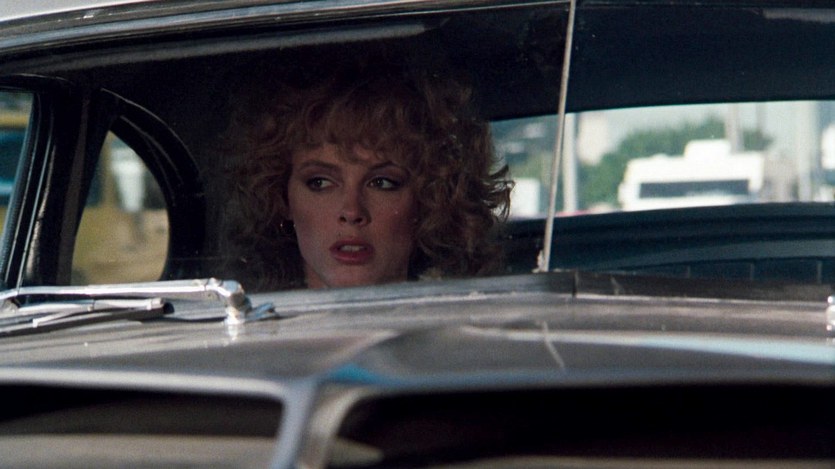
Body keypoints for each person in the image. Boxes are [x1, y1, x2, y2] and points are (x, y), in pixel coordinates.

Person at [226, 50, 512, 290]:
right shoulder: (236, 334)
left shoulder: (467, 332)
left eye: (383, 183)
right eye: (320, 182)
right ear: (282, 198)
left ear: (428, 202)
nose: (351, 212)